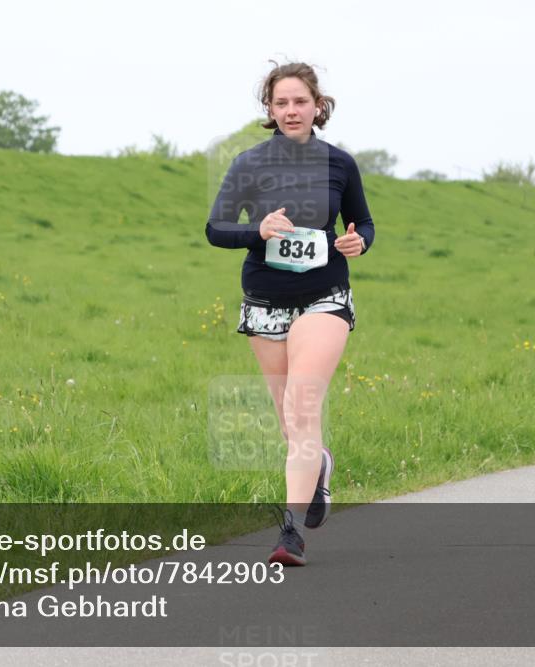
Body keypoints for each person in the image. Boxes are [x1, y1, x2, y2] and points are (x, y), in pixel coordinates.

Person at [205, 61, 375, 566]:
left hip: (323, 297)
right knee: (290, 424)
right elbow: (216, 229)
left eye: (300, 101)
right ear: (269, 110)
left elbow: (362, 220)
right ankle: (318, 466)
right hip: (264, 299)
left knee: (303, 408)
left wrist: (357, 241)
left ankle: (290, 532)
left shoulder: (339, 164)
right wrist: (257, 231)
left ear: (317, 105)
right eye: (281, 102)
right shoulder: (249, 164)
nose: (291, 110)